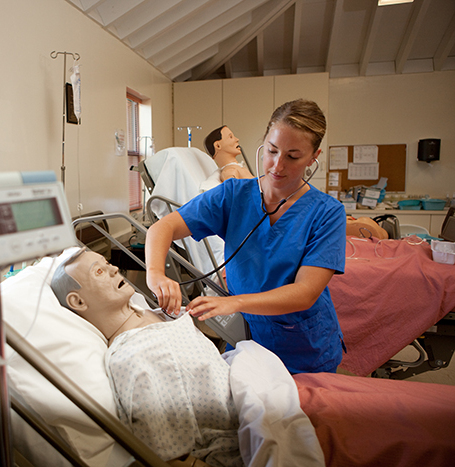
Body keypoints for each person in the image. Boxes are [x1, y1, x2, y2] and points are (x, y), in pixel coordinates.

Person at [50, 247, 324, 467]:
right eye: (99, 271)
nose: (113, 268)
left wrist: (195, 311)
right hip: (243, 433)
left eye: (107, 263)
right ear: (78, 302)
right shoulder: (133, 356)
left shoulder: (155, 314)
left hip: (257, 388)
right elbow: (169, 454)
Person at [145, 99, 346, 374]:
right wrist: (156, 274)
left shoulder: (327, 213)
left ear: (314, 157)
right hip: (246, 342)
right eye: (272, 151)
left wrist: (234, 302)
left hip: (305, 350)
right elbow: (162, 228)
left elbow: (305, 293)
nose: (277, 165)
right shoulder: (232, 195)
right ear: (263, 142)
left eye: (293, 156)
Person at [200, 126, 253, 192]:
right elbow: (233, 193)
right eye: (231, 137)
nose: (237, 139)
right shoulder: (230, 171)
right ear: (217, 146)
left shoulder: (237, 168)